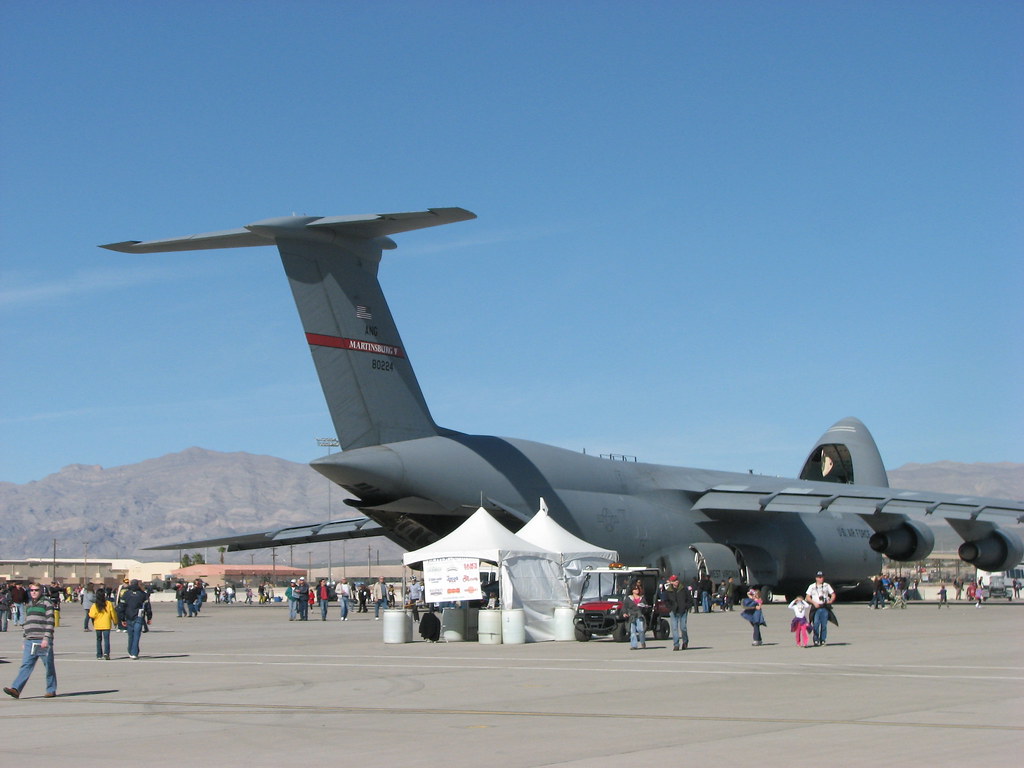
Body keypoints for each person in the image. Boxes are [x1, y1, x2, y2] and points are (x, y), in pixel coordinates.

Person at [4, 582, 57, 699]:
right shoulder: (29, 604)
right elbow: (27, 622)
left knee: (48, 665)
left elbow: (50, 622)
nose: (33, 592)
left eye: (36, 590)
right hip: (30, 640)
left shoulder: (46, 603)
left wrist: (46, 639)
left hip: (42, 640)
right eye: (31, 590)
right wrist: (24, 638)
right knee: (26, 665)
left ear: (41, 591)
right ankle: (16, 689)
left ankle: (51, 689)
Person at [117, 579, 152, 659]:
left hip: (129, 616)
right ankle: (134, 653)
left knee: (131, 635)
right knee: (136, 635)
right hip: (138, 616)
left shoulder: (126, 594)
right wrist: (149, 617)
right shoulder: (143, 594)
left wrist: (122, 618)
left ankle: (131, 650)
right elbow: (148, 606)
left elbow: (121, 606)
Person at [663, 574, 692, 650]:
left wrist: (687, 606)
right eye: (674, 581)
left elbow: (689, 599)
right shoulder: (668, 590)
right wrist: (670, 608)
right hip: (673, 611)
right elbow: (665, 600)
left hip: (683, 611)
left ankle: (685, 641)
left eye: (676, 580)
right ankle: (676, 644)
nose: (676, 582)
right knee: (674, 628)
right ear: (671, 582)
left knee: (683, 628)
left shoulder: (683, 589)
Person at [806, 571, 836, 646]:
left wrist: (831, 601)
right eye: (819, 577)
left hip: (824, 607)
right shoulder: (812, 586)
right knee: (815, 623)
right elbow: (807, 597)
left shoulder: (826, 585)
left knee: (824, 624)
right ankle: (816, 639)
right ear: (816, 578)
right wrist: (814, 603)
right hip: (816, 607)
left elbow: (833, 594)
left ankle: (823, 639)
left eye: (822, 577)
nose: (821, 579)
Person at [89, 588, 118, 660]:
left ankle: (99, 654)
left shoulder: (95, 605)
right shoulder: (109, 603)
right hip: (106, 624)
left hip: (98, 625)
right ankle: (106, 653)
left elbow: (92, 615)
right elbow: (113, 614)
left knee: (99, 640)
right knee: (106, 639)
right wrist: (115, 622)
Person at [622, 585, 647, 649]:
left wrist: (644, 607)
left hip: (639, 615)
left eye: (638, 589)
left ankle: (642, 642)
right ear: (632, 590)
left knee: (641, 630)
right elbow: (624, 607)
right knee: (632, 631)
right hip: (632, 616)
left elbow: (646, 607)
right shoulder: (628, 599)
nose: (637, 590)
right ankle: (634, 645)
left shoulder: (642, 598)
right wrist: (624, 613)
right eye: (635, 589)